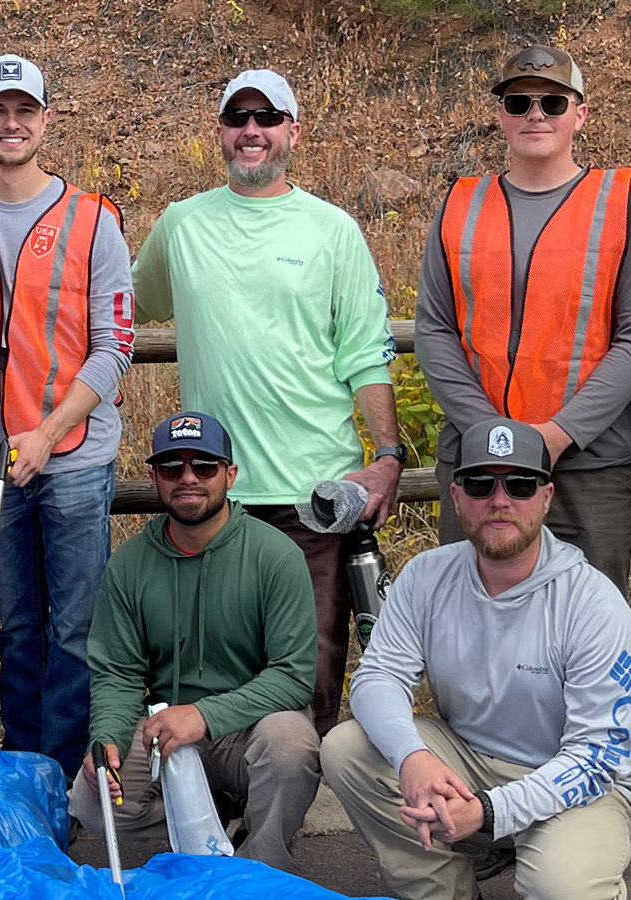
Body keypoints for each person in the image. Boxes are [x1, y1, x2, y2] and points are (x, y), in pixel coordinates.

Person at [130, 68, 402, 736]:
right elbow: (127, 305)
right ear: (220, 133)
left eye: (268, 118)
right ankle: (222, 822)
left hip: (314, 496)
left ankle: (278, 833)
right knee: (210, 672)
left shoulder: (333, 231)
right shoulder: (180, 228)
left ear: (293, 132)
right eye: (238, 118)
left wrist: (390, 454)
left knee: (305, 677)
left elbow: (364, 352)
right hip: (211, 494)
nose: (252, 131)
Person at [0, 54, 135, 778]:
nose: (11, 123)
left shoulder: (92, 219)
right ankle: (22, 771)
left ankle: (70, 773)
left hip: (71, 455)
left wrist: (48, 432)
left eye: (25, 110)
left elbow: (115, 347)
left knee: (75, 628)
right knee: (15, 626)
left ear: (46, 119)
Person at [323, 417, 631, 900]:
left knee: (561, 887)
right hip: (469, 760)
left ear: (547, 497)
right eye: (481, 483)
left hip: (574, 781)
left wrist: (489, 811)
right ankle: (445, 891)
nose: (500, 500)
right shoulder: (427, 575)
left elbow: (596, 759)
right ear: (456, 495)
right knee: (346, 749)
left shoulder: (593, 601)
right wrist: (413, 756)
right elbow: (377, 676)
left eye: (521, 484)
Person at [415, 45, 631, 595]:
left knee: (588, 627)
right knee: (469, 622)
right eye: (519, 101)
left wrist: (555, 437)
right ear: (501, 115)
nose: (536, 113)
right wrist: (490, 435)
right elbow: (435, 330)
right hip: (476, 461)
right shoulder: (460, 204)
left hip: (589, 465)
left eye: (554, 102)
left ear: (580, 114)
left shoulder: (621, 202)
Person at [80, 411, 320, 871]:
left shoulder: (276, 556)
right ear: (154, 477)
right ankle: (205, 818)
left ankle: (260, 867)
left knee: (291, 748)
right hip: (164, 730)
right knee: (93, 802)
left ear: (229, 474)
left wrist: (204, 715)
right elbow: (117, 671)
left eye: (204, 466)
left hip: (251, 726)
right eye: (172, 467)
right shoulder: (129, 564)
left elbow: (294, 676)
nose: (188, 478)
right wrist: (106, 738)